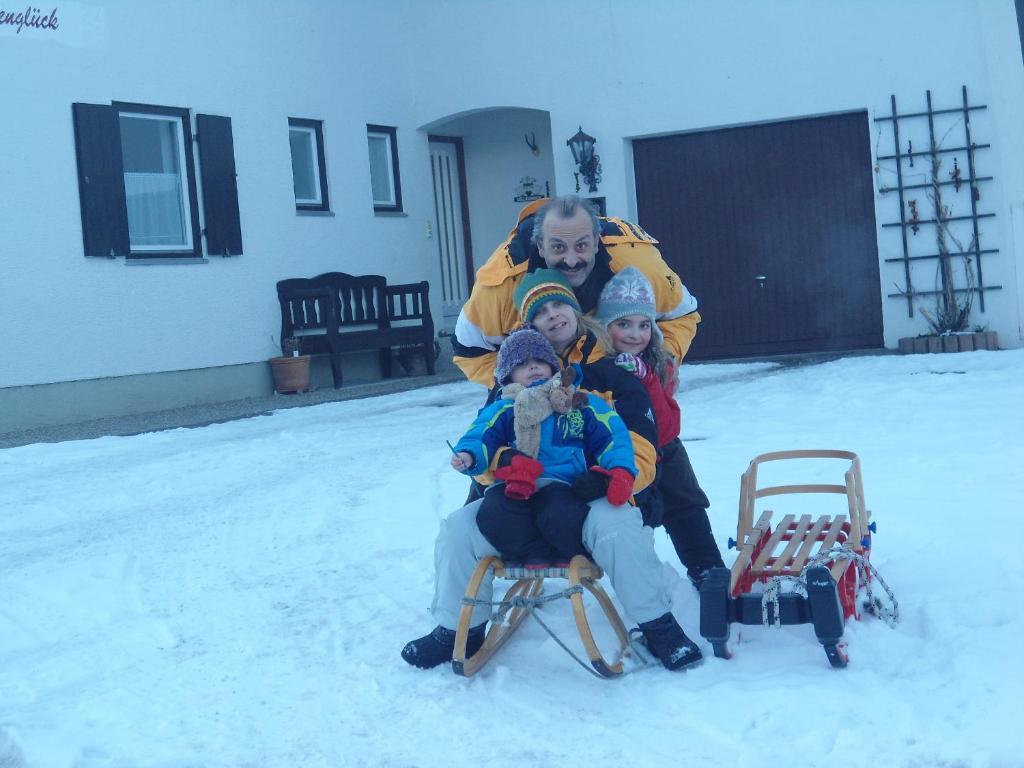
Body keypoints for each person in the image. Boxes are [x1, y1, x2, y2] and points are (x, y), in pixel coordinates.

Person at [401, 275, 703, 673]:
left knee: (617, 525)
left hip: (583, 494)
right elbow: (479, 442)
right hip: (516, 503)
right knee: (457, 529)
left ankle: (659, 625)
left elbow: (627, 440)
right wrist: (497, 465)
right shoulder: (506, 397)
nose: (552, 316)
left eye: (557, 306)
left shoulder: (593, 388)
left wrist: (609, 476)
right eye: (540, 312)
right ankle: (457, 629)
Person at [452, 195, 700, 387]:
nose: (571, 261)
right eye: (558, 248)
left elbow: (683, 315)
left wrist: (660, 361)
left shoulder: (639, 265)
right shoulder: (499, 286)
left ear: (596, 241)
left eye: (581, 245)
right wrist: (523, 381)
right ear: (540, 246)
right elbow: (468, 352)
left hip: (624, 398)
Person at [451, 327, 636, 568]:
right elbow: (482, 433)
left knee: (559, 513)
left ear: (553, 366)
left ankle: (568, 550)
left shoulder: (573, 401)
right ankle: (531, 551)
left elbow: (613, 435)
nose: (533, 367)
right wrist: (469, 455)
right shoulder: (505, 408)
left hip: (563, 484)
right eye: (522, 363)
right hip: (514, 483)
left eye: (540, 360)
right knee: (494, 514)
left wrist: (620, 470)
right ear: (508, 375)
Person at [595, 267, 726, 587]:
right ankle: (643, 582)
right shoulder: (596, 367)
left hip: (661, 445)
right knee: (634, 516)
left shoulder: (658, 364)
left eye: (643, 325)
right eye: (623, 324)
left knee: (685, 500)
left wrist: (647, 379)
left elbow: (668, 427)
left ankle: (707, 570)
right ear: (604, 327)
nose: (634, 334)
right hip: (620, 453)